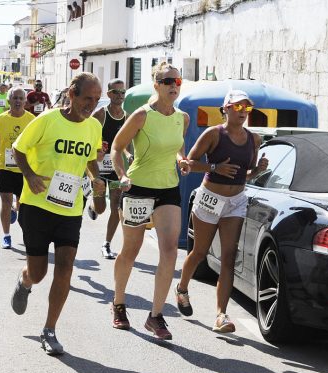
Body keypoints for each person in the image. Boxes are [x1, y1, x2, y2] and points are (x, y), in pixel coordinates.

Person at [10, 72, 105, 355]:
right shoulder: (46, 120)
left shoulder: (93, 127)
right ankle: (25, 280)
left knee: (65, 267)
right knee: (39, 273)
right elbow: (18, 149)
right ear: (72, 94)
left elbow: (90, 159)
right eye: (88, 98)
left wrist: (97, 182)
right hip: (37, 205)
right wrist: (29, 175)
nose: (92, 104)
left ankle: (49, 329)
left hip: (69, 208)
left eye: (96, 99)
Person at [176, 89, 268, 333]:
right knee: (200, 252)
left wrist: (258, 170)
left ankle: (221, 315)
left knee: (229, 256)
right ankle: (182, 288)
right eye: (238, 107)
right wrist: (215, 167)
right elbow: (188, 163)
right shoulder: (213, 134)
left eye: (247, 108)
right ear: (225, 108)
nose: (243, 112)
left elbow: (245, 173)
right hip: (210, 197)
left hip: (235, 200)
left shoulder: (253, 139)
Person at [110, 63, 190, 339]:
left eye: (177, 80)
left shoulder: (183, 117)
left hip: (168, 189)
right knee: (130, 250)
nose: (173, 85)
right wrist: (121, 174)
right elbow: (117, 147)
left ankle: (156, 317)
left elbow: (178, 146)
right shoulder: (142, 116)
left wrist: (182, 160)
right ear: (156, 83)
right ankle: (119, 304)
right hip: (138, 187)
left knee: (169, 250)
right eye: (167, 80)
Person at [0, 87, 35, 249]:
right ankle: (6, 235)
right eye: (15, 98)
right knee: (5, 201)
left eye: (21, 98)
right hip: (5, 167)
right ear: (9, 100)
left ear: (25, 102)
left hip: (25, 168)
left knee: (22, 205)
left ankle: (16, 210)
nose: (18, 101)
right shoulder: (1, 119)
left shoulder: (32, 120)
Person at [88, 78, 130, 260]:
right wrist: (96, 151)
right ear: (109, 94)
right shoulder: (100, 115)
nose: (119, 96)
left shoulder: (127, 117)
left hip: (115, 169)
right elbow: (87, 137)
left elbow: (124, 144)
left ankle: (106, 244)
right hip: (97, 168)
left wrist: (128, 155)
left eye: (122, 92)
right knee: (101, 208)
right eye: (116, 92)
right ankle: (93, 207)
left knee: (116, 205)